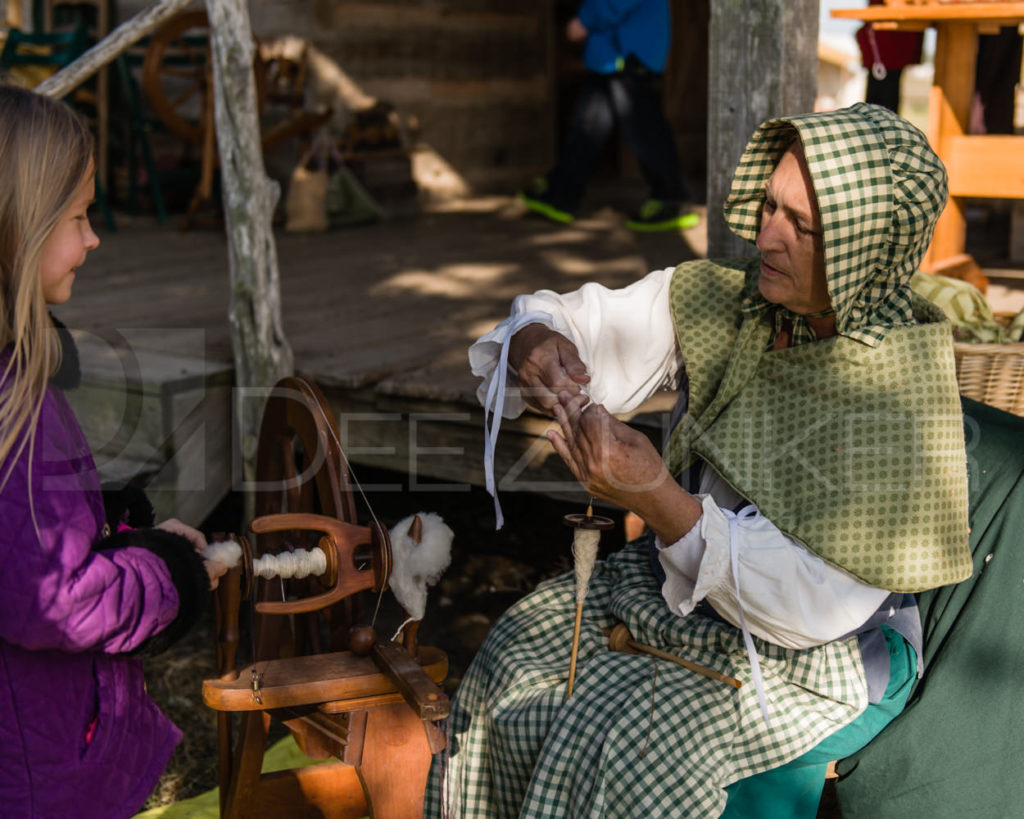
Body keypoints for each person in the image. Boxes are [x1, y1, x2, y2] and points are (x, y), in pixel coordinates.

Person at [429, 102, 972, 817]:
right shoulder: (735, 301)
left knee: (631, 756)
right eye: (770, 207)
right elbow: (597, 327)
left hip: (817, 647)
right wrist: (538, 336)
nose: (766, 237)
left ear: (865, 248)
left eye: (801, 227)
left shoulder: (897, 389)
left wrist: (658, 498)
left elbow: (816, 602)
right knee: (514, 658)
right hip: (688, 587)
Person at [0, 86, 226, 818]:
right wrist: (173, 575)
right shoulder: (14, 406)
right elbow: (56, 600)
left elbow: (25, 542)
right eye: (77, 217)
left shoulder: (19, 380)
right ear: (17, 231)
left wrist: (120, 531)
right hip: (37, 771)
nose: (93, 238)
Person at [519, 0, 697, 232]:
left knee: (643, 129)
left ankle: (672, 200)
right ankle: (561, 193)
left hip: (629, 53)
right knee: (588, 125)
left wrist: (585, 20)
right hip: (611, 54)